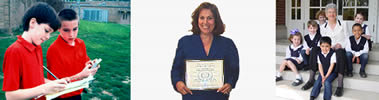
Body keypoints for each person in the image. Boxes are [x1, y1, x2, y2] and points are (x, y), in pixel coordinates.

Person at [170, 2, 239, 100]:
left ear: (216, 21)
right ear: (197, 20)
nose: (205, 22)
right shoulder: (185, 42)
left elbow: (234, 70)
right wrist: (178, 83)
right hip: (192, 97)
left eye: (210, 18)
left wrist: (230, 83)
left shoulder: (227, 44)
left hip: (218, 97)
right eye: (202, 18)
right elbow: (176, 69)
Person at [2, 2, 67, 100]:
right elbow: (10, 95)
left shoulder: (37, 48)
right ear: (32, 23)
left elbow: (37, 80)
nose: (48, 37)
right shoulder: (14, 51)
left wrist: (54, 84)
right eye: (46, 30)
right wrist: (44, 89)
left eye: (50, 33)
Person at [46, 8, 100, 100]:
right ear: (58, 28)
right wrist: (80, 75)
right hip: (62, 95)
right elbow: (55, 82)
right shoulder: (54, 50)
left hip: (77, 91)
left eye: (75, 29)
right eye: (66, 30)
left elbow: (84, 61)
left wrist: (91, 65)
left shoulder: (81, 43)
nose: (71, 34)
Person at [302, 3, 347, 97]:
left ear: (336, 13)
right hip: (327, 49)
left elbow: (347, 39)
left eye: (333, 12)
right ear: (326, 14)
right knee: (314, 49)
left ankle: (340, 85)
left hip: (339, 49)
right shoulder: (322, 27)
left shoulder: (343, 24)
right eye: (329, 12)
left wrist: (341, 45)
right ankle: (311, 79)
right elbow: (321, 41)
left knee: (339, 52)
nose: (331, 14)